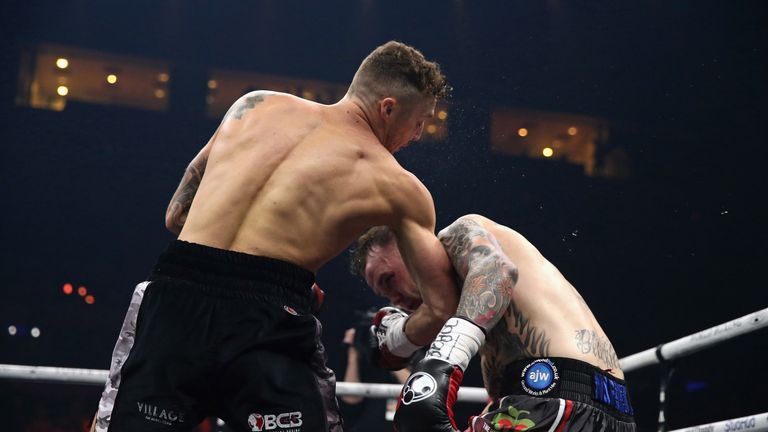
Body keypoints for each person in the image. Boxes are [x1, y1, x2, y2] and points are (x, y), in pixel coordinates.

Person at [91, 41, 458, 432]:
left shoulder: (256, 105)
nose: (418, 135)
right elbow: (440, 307)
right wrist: (393, 344)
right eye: (419, 122)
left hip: (174, 298)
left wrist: (248, 256)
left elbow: (176, 214)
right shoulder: (399, 185)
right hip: (268, 318)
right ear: (388, 108)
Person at [351, 215, 636, 431]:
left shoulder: (459, 233)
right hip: (609, 411)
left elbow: (497, 272)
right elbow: (432, 316)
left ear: (410, 246)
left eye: (389, 280)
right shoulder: (463, 303)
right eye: (385, 295)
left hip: (551, 401)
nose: (395, 298)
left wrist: (438, 366)